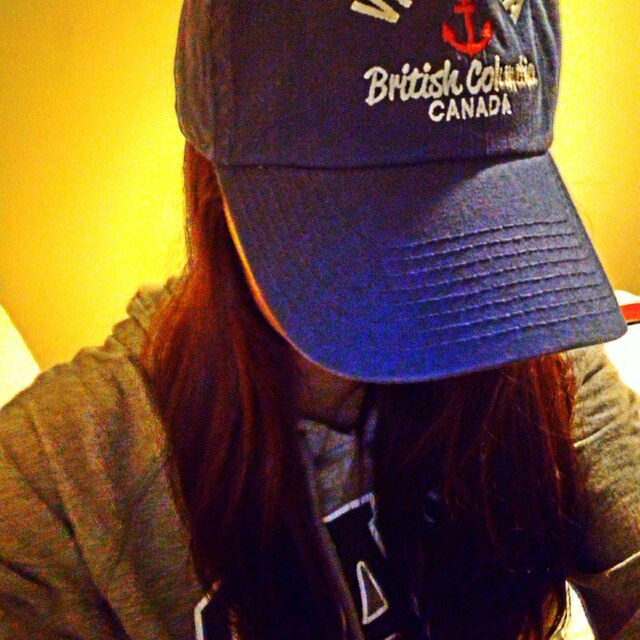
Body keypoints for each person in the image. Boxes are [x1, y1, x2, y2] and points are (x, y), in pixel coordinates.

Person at [1, 1, 639, 639]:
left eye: (481, 233)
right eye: (367, 226)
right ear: (212, 176)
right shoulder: (56, 485)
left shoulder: (533, 345)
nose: (439, 302)